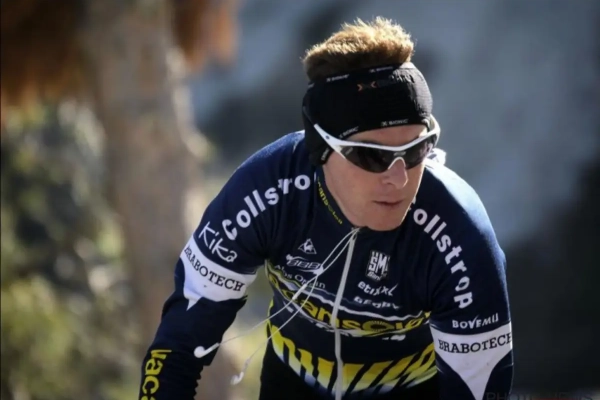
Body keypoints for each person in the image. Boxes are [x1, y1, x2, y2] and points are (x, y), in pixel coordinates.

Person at [138, 17, 513, 400]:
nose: (399, 179)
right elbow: (178, 344)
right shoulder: (267, 190)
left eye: (416, 150)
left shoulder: (459, 234)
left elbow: (480, 388)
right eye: (371, 156)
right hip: (292, 383)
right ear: (320, 148)